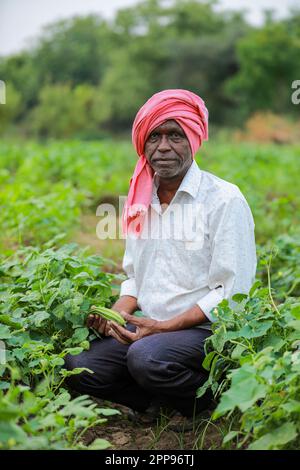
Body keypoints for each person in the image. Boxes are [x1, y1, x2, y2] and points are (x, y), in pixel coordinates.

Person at [64, 89, 257, 424]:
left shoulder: (224, 200)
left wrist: (166, 327)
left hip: (206, 331)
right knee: (79, 364)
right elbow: (135, 277)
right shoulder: (141, 200)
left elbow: (233, 292)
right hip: (150, 329)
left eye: (175, 136)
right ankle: (157, 402)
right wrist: (115, 315)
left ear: (194, 140)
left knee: (146, 357)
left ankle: (209, 403)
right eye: (155, 136)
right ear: (143, 143)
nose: (163, 147)